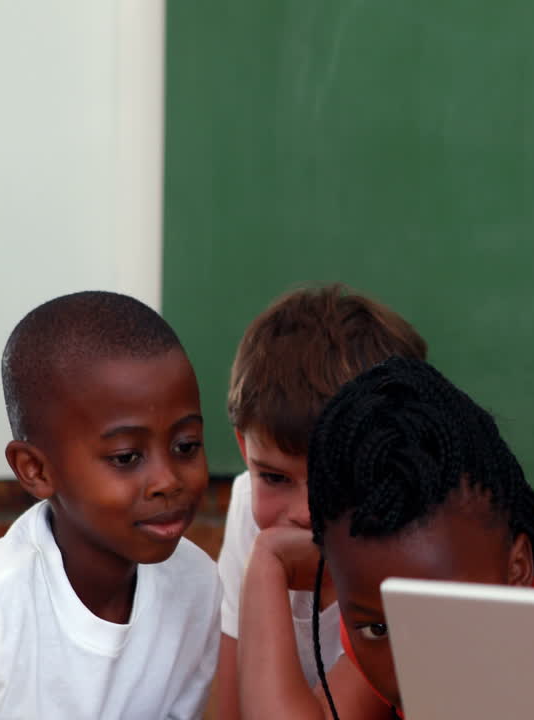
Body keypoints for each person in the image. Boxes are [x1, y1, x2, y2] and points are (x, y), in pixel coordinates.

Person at [0, 291, 220, 719]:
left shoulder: (198, 584)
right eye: (126, 457)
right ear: (35, 470)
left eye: (186, 446)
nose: (168, 481)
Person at [238, 357, 534, 720]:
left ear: (517, 570)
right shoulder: (384, 614)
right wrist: (267, 561)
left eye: (445, 621)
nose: (411, 666)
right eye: (377, 629)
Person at [214, 284, 428, 719]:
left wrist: (268, 564)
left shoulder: (425, 550)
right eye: (273, 477)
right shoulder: (247, 506)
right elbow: (226, 712)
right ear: (244, 450)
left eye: (340, 478)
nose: (305, 512)